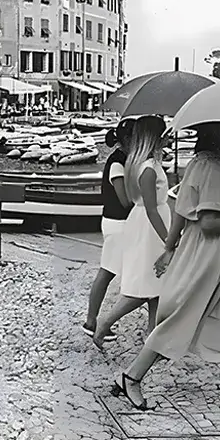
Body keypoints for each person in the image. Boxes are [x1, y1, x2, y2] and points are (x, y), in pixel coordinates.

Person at [111, 122, 220, 416]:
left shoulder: (198, 163)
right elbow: (208, 223)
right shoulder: (214, 167)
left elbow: (181, 210)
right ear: (219, 133)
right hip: (209, 252)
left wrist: (170, 248)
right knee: (182, 319)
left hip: (204, 251)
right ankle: (131, 376)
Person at [93, 116, 170, 348]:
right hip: (149, 228)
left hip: (147, 225)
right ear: (153, 138)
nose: (167, 138)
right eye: (163, 135)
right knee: (143, 287)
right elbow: (151, 210)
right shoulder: (147, 169)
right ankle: (104, 323)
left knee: (156, 284)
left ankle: (152, 333)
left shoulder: (146, 165)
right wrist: (169, 240)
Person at [83, 123, 132, 340]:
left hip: (115, 222)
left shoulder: (121, 160)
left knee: (108, 271)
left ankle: (93, 319)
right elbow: (123, 200)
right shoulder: (117, 163)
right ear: (129, 139)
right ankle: (92, 321)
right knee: (107, 271)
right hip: (117, 223)